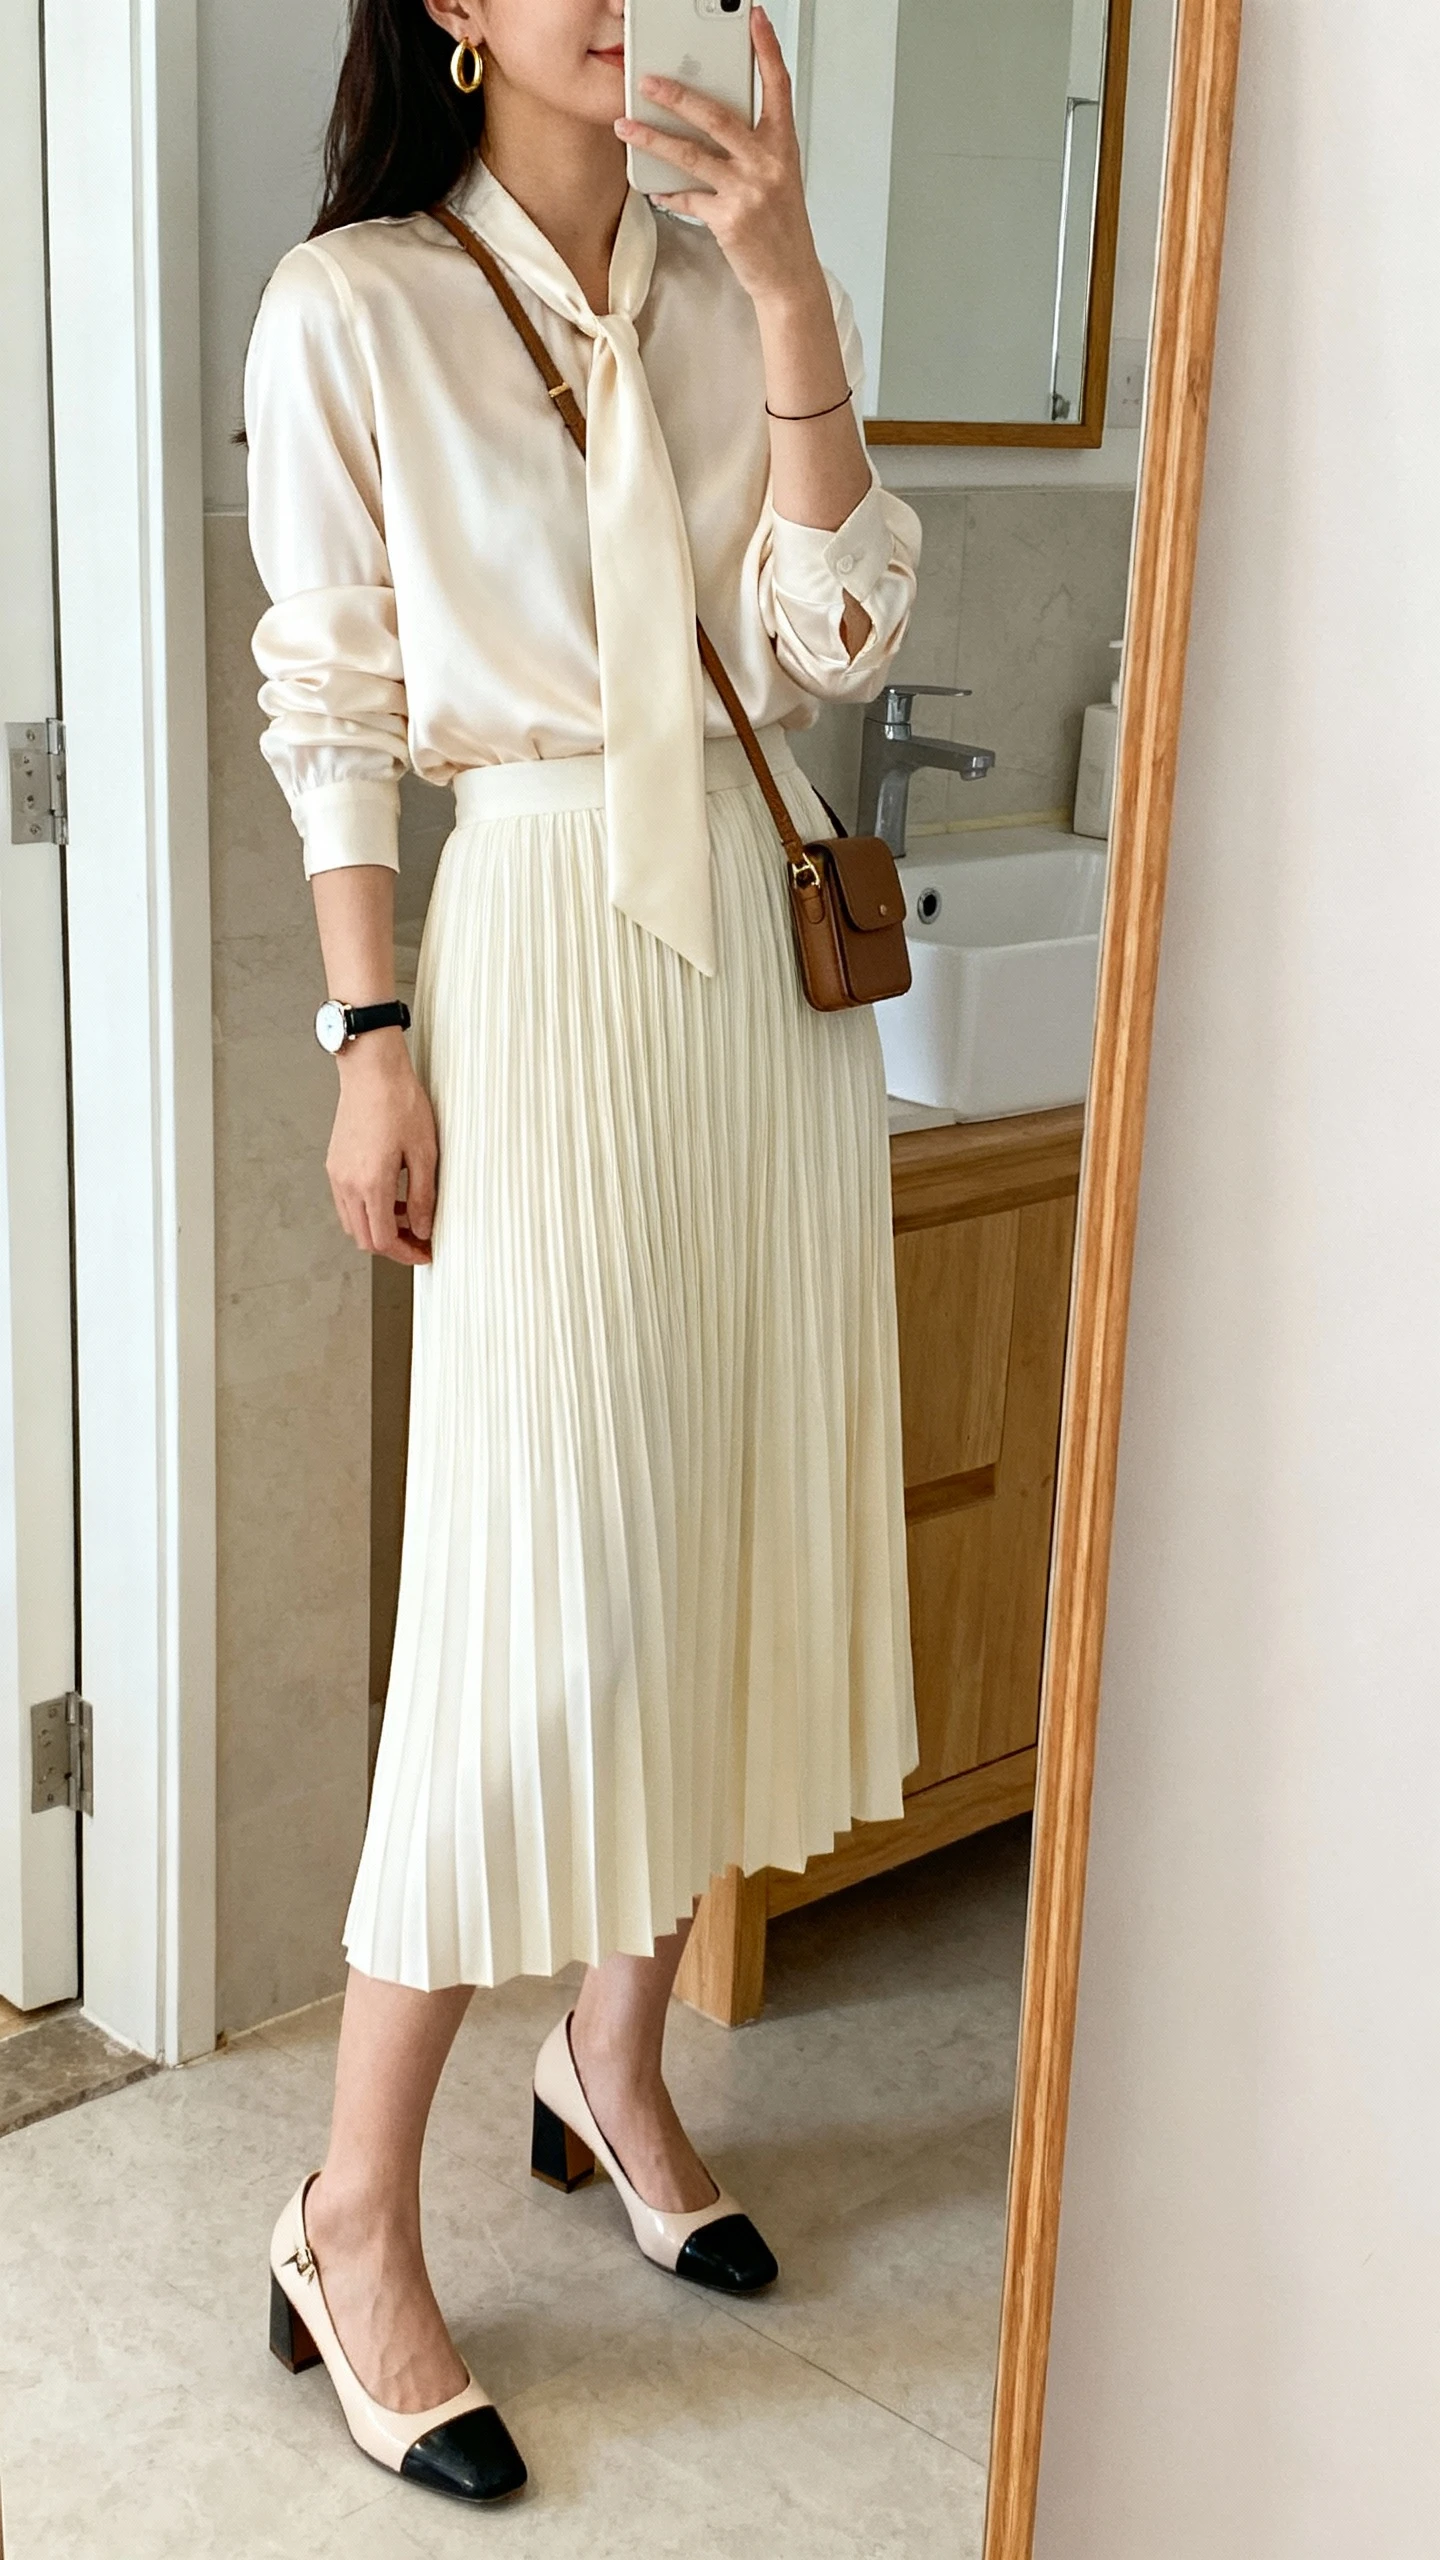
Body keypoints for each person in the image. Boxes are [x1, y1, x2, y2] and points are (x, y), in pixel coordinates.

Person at [245, 0, 921, 2507]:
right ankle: (347, 2208)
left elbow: (835, 646)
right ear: (447, 5)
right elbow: (335, 697)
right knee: (536, 1602)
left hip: (756, 970)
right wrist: (369, 1031)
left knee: (724, 1536)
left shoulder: (735, 272)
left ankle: (613, 2058)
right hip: (531, 944)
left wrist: (797, 291)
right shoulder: (356, 309)